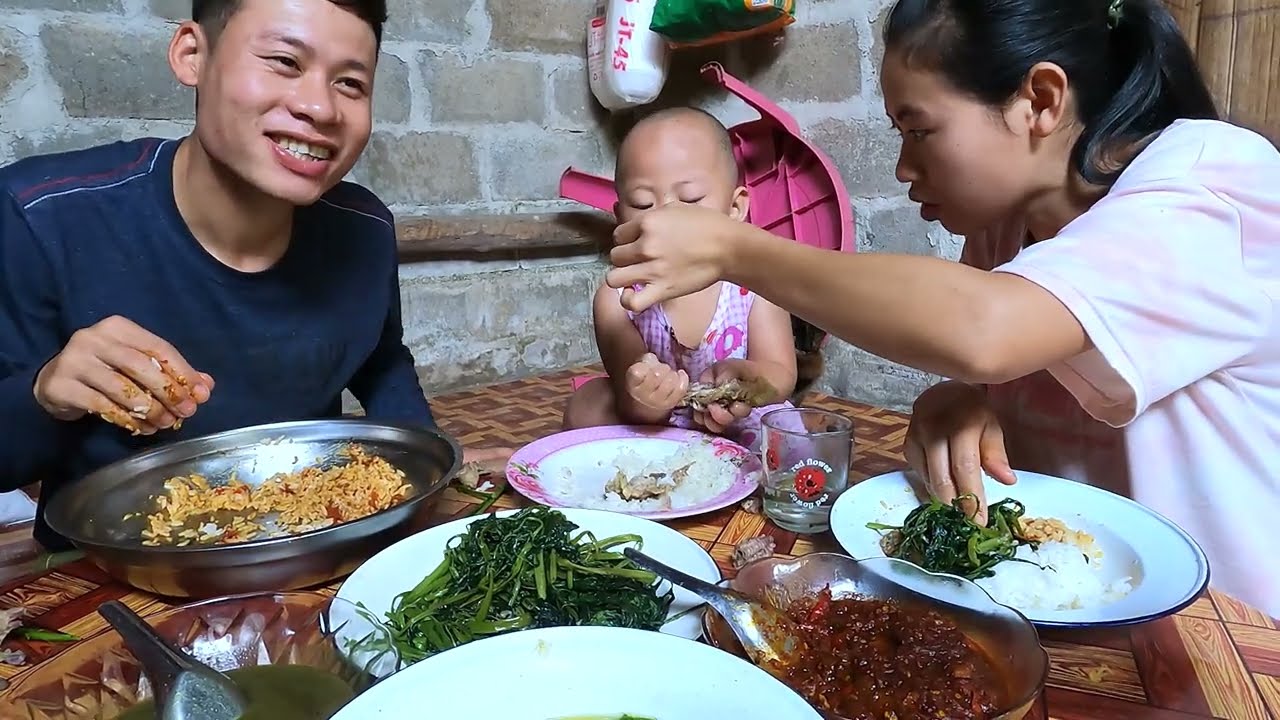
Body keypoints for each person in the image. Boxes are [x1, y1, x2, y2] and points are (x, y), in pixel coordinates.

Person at [601, 0, 1280, 617]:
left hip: (1227, 627)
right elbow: (985, 356)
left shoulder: (1213, 182)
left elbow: (984, 329)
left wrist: (738, 252)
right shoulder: (1005, 228)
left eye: (919, 130)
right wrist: (957, 401)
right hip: (1062, 599)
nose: (902, 167)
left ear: (1039, 101)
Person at [0, 0, 508, 550]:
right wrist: (45, 393)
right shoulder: (41, 215)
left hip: (314, 545)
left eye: (351, 84)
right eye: (285, 62)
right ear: (193, 55)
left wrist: (431, 452)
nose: (319, 106)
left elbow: (381, 359)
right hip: (107, 572)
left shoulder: (364, 229)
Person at [563, 107, 799, 451]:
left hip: (736, 422)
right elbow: (633, 401)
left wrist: (746, 381)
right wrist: (647, 392)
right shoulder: (618, 298)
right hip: (657, 427)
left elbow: (781, 373)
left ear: (735, 209)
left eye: (690, 199)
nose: (668, 217)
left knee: (796, 431)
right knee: (587, 406)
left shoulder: (754, 284)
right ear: (620, 218)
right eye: (643, 204)